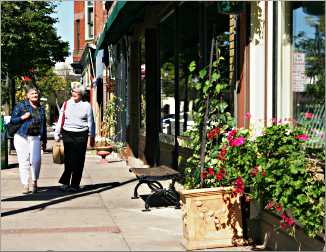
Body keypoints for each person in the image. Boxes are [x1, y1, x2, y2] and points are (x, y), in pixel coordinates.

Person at [54, 84, 95, 192]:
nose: (74, 94)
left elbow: (91, 122)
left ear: (81, 94)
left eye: (77, 92)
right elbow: (61, 119)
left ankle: (75, 184)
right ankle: (65, 182)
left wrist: (92, 136)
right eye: (73, 91)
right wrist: (57, 133)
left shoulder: (87, 105)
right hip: (67, 133)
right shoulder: (66, 104)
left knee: (79, 160)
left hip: (82, 134)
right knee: (68, 160)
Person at [10, 85, 47, 194]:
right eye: (32, 93)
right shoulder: (21, 106)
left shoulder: (41, 108)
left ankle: (34, 181)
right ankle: (25, 184)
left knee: (35, 161)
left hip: (35, 137)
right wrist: (22, 117)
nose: (35, 95)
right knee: (23, 161)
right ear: (27, 96)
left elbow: (43, 126)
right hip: (21, 136)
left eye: (36, 93)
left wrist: (44, 141)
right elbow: (13, 120)